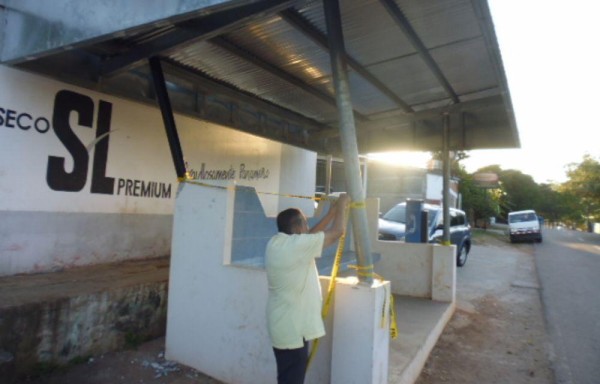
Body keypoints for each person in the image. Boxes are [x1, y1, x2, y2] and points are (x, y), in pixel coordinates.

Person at [265, 194, 350, 384]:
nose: (307, 226)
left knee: (288, 377)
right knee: (291, 380)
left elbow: (309, 235)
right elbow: (337, 232)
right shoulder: (295, 247)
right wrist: (343, 205)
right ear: (296, 227)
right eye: (304, 222)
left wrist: (331, 213)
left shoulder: (278, 243)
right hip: (291, 330)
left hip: (286, 326)